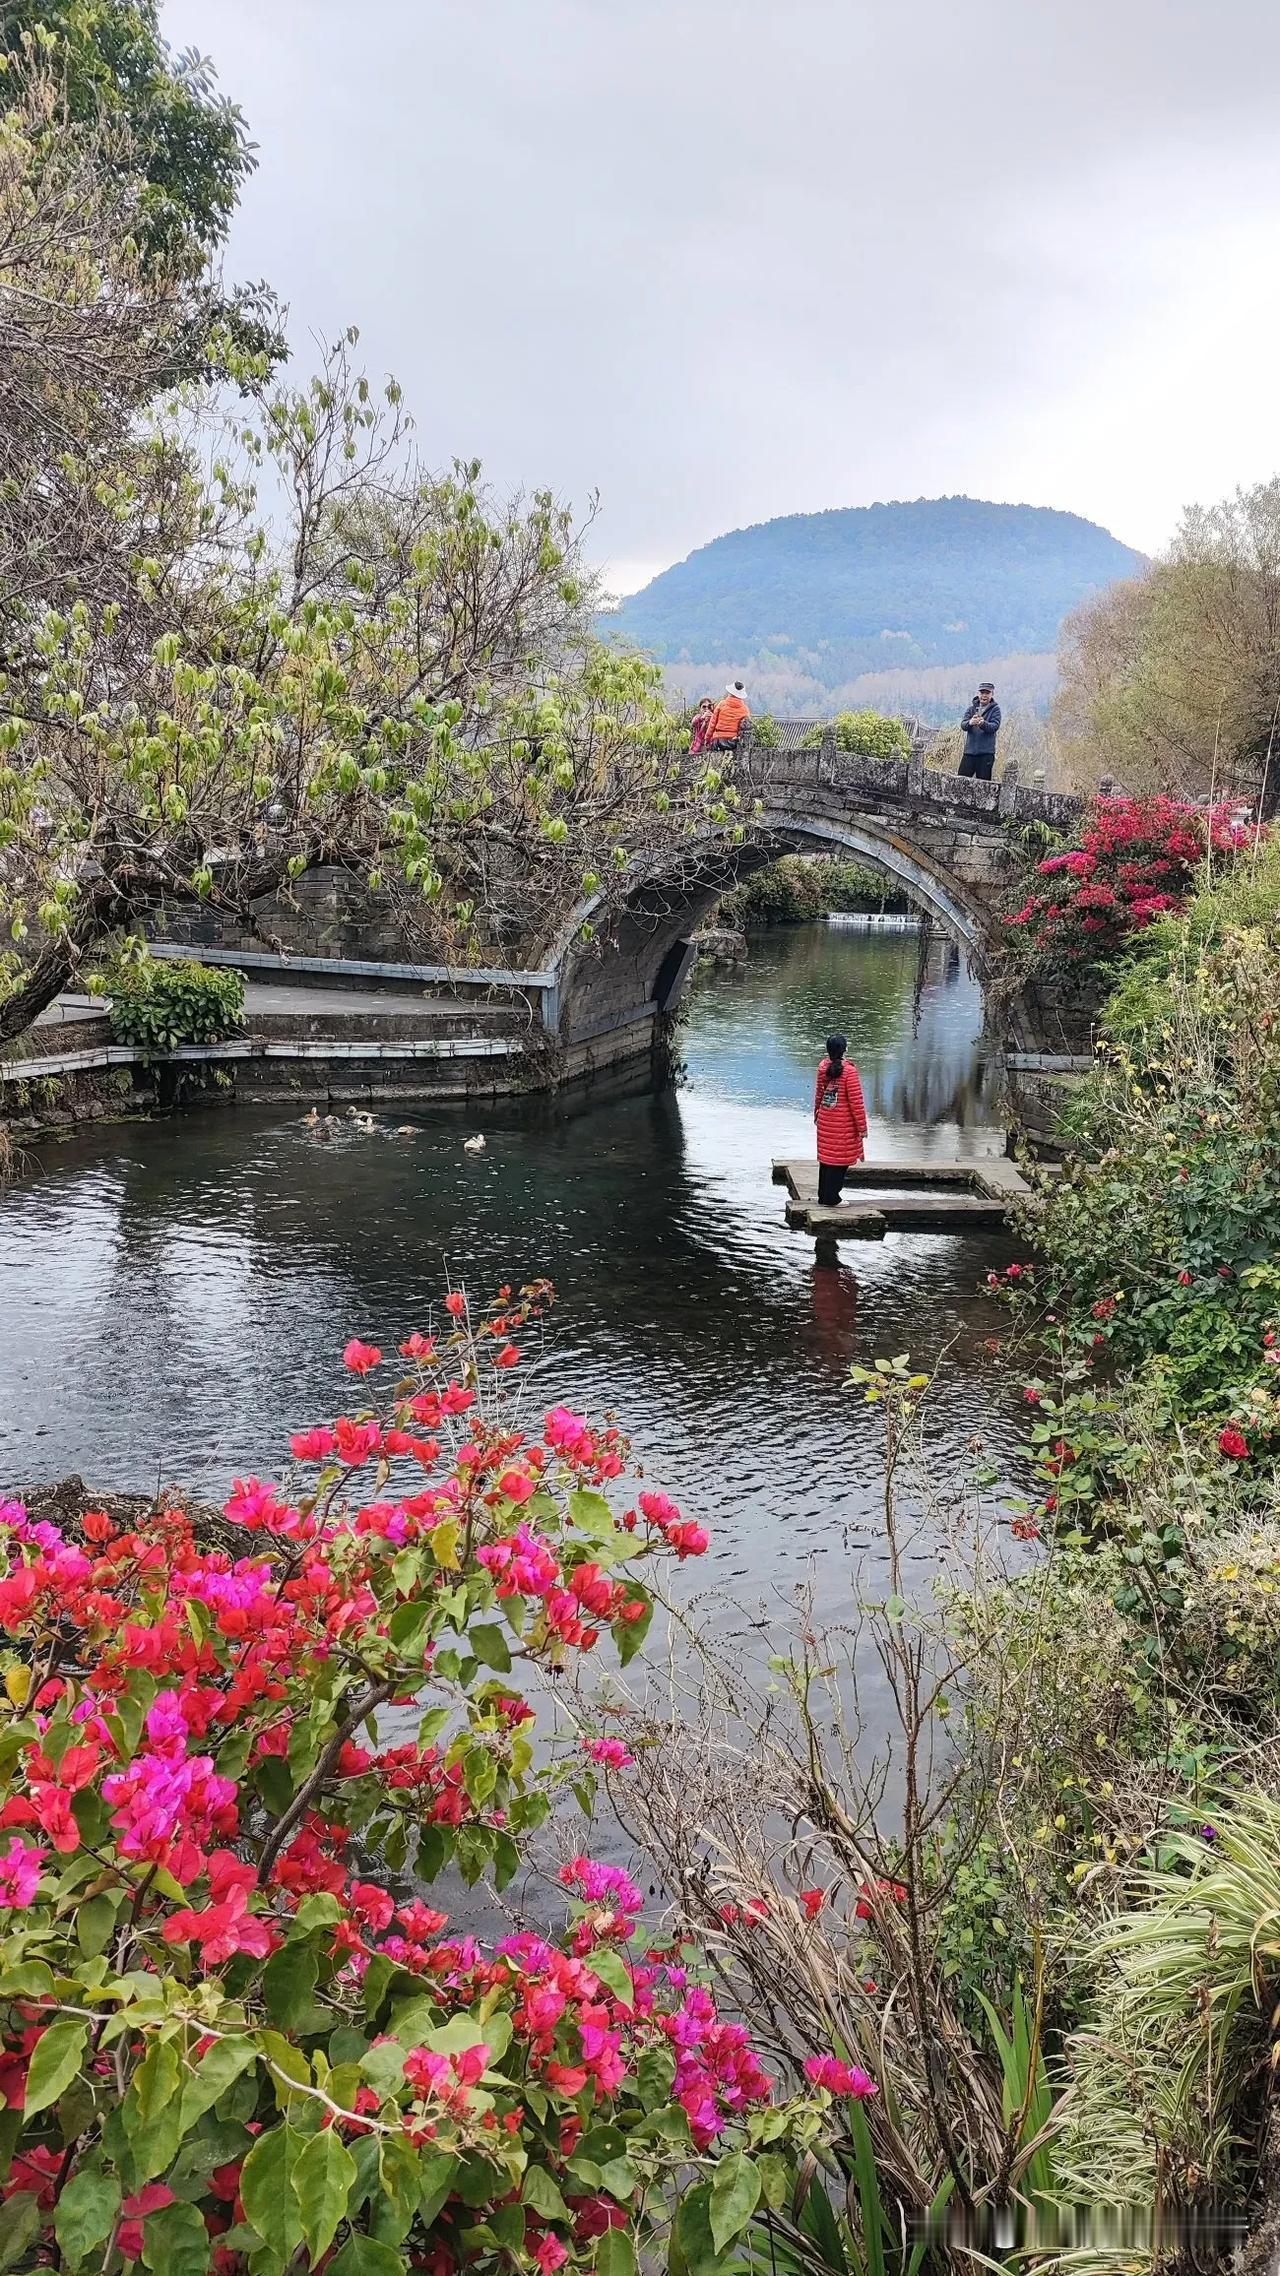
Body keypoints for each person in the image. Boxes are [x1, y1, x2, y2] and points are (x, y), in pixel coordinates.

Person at [813, 1033, 868, 1207]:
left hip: (825, 1120)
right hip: (843, 1123)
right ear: (844, 1049)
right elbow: (856, 1103)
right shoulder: (849, 1071)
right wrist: (862, 1127)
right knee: (839, 1161)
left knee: (827, 1159)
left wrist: (816, 1114)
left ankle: (823, 1195)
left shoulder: (823, 1067)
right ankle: (832, 1198)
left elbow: (819, 1095)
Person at [958, 682, 1001, 779]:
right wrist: (970, 722)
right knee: (960, 782)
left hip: (986, 754)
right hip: (969, 753)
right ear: (978, 694)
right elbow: (963, 725)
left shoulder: (995, 709)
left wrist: (982, 723)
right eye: (982, 693)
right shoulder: (971, 709)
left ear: (992, 694)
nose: (984, 695)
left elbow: (994, 726)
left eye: (987, 693)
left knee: (984, 786)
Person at [705, 679, 750, 753]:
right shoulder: (745, 710)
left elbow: (712, 724)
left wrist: (707, 739)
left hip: (718, 741)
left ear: (730, 693)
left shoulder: (722, 704)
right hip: (733, 742)